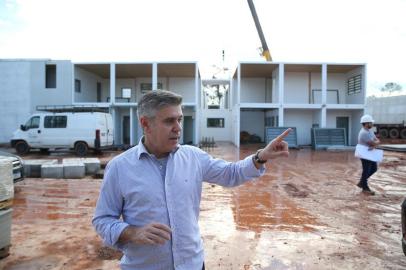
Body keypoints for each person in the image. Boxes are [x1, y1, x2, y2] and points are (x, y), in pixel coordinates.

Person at [92, 90, 291, 270]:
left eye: (179, 119)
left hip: (193, 265)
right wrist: (132, 232)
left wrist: (261, 156)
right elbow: (102, 219)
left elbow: (232, 174)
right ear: (145, 123)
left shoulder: (193, 157)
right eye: (169, 121)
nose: (178, 128)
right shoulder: (119, 168)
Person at [356, 114, 380, 195]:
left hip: (370, 153)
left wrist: (375, 144)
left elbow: (376, 140)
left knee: (374, 168)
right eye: (370, 123)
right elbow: (373, 142)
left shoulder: (370, 131)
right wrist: (375, 144)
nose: (372, 124)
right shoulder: (364, 133)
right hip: (365, 154)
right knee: (366, 170)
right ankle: (365, 187)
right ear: (366, 123)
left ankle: (362, 182)